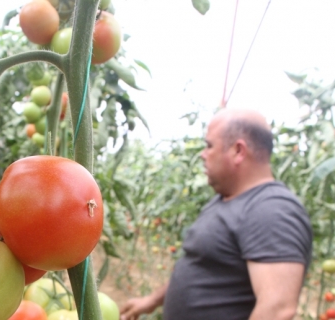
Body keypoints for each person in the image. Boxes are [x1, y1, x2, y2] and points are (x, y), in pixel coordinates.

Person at [120, 108, 313, 320]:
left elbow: (276, 310)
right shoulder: (225, 200)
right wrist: (152, 301)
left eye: (209, 145)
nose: (203, 154)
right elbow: (202, 265)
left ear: (238, 151)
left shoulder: (271, 209)